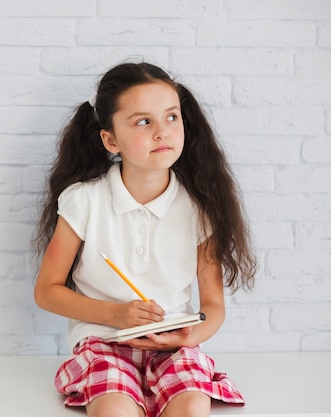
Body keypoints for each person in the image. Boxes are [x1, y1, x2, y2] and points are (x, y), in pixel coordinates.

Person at [32, 62, 257, 417]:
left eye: (171, 117)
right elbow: (47, 290)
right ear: (110, 140)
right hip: (104, 342)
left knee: (192, 409)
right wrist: (116, 314)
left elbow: (213, 307)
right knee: (114, 410)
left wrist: (189, 337)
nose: (162, 132)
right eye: (143, 121)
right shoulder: (84, 201)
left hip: (173, 347)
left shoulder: (200, 208)